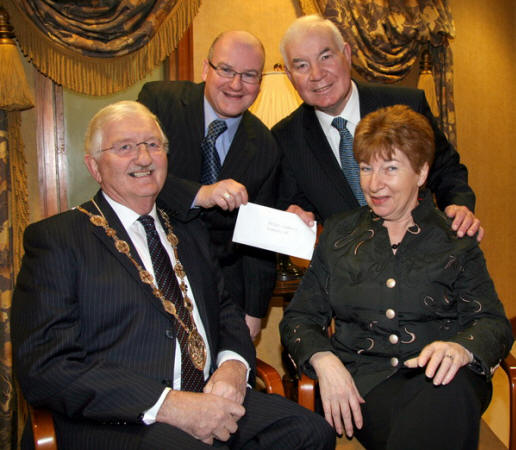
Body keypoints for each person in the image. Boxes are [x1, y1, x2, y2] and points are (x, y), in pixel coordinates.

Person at [11, 101, 335, 450]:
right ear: (94, 166)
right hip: (122, 418)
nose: (143, 158)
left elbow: (225, 311)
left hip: (210, 395)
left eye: (153, 145)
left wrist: (233, 366)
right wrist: (167, 404)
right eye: (124, 147)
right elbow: (44, 367)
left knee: (309, 432)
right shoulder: (58, 239)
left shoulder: (190, 230)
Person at [280, 104, 513, 449]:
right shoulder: (340, 234)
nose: (375, 184)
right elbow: (299, 318)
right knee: (440, 414)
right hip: (369, 387)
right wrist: (324, 359)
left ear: (421, 172)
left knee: (448, 390)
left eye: (390, 168)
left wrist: (461, 349)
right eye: (366, 168)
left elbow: (493, 323)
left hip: (449, 379)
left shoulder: (454, 235)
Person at [273, 14, 484, 241]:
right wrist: (295, 214)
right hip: (350, 269)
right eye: (302, 65)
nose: (317, 74)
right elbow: (296, 203)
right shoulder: (285, 139)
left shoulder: (407, 106)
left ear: (346, 54)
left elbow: (445, 170)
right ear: (290, 76)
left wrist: (457, 205)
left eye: (325, 57)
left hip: (424, 256)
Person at [138, 31, 279, 340]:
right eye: (226, 70)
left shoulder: (266, 145)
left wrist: (254, 313)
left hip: (222, 293)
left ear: (259, 82)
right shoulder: (159, 103)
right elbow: (137, 171)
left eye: (249, 75)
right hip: (148, 273)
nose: (236, 84)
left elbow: (259, 242)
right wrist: (200, 194)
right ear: (206, 69)